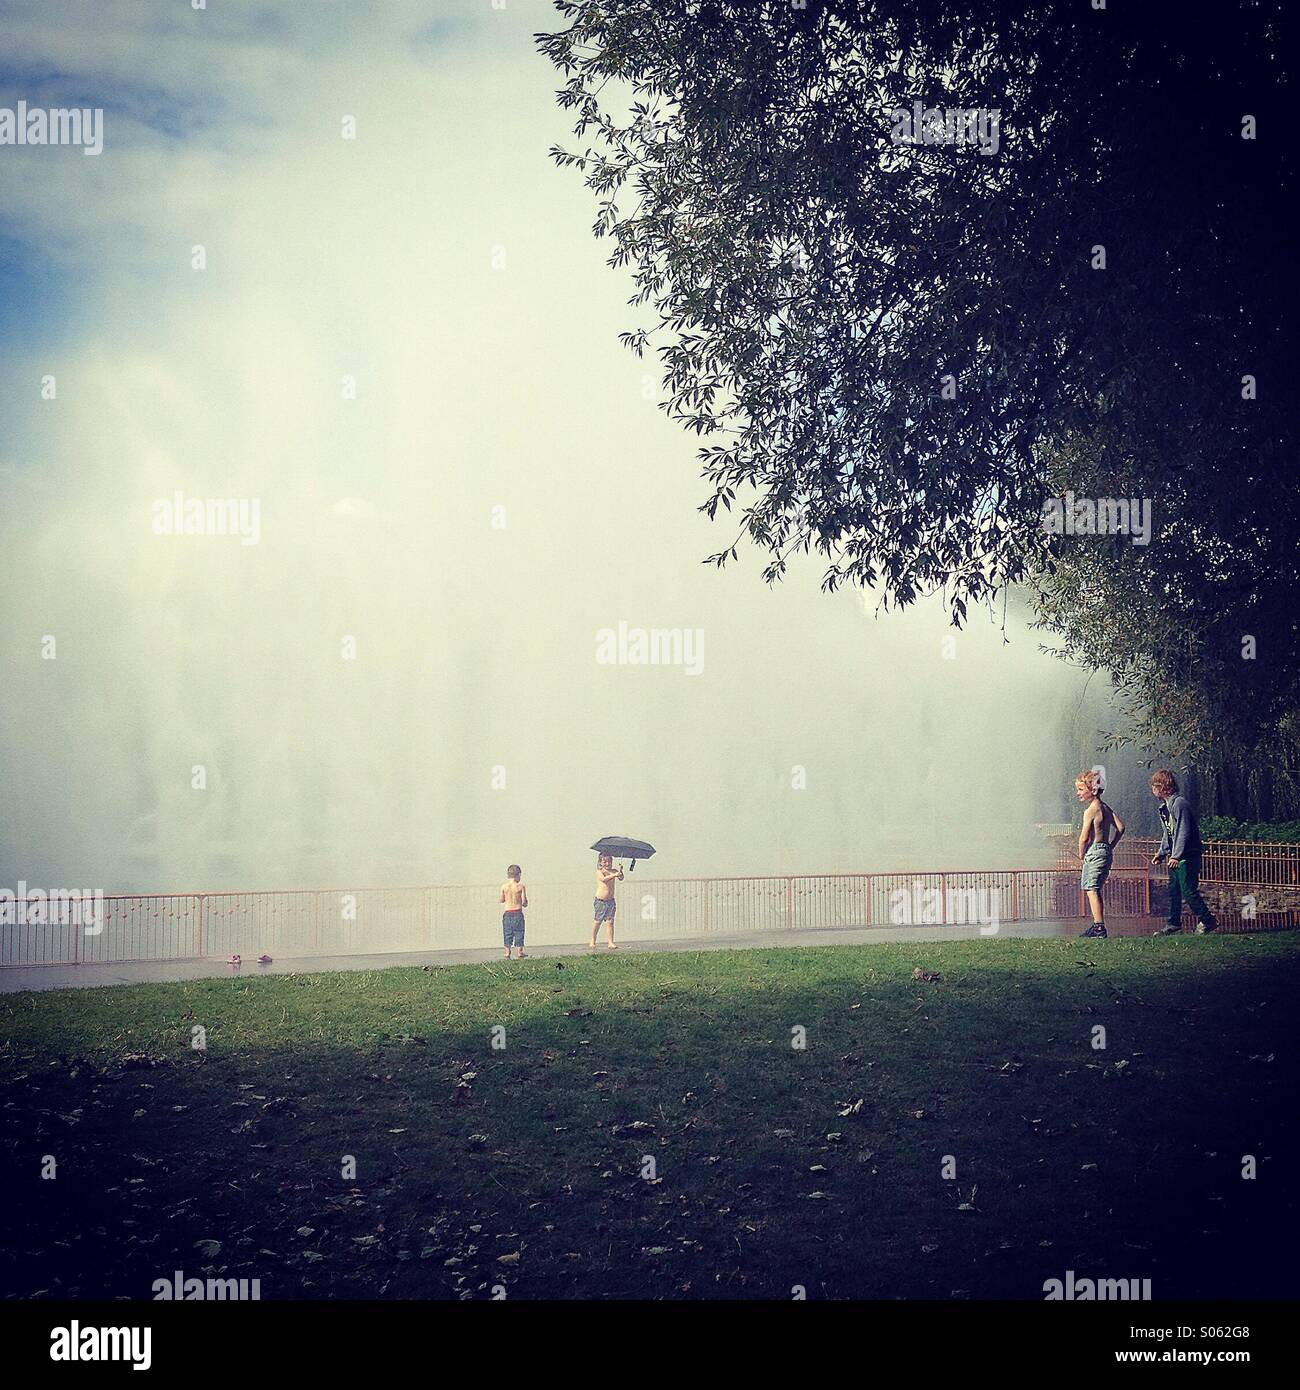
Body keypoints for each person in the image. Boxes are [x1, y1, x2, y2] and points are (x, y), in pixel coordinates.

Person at [1149, 770, 1218, 934]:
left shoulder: (1179, 804)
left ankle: (1208, 920)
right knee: (1174, 890)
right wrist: (1162, 852)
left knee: (1188, 890)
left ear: (1162, 786)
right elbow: (1169, 832)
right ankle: (1173, 924)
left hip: (1187, 856)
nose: (1152, 789)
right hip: (1175, 857)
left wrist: (1176, 855)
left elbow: (1183, 831)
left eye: (1154, 785)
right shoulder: (1164, 808)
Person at [1075, 770, 1124, 938]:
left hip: (1094, 852)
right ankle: (1097, 925)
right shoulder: (1105, 807)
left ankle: (1099, 928)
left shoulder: (1090, 810)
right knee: (1095, 889)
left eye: (1081, 789)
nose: (1078, 793)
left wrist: (1081, 855)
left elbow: (1083, 838)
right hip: (1105, 851)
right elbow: (1121, 828)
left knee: (1091, 889)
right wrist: (1111, 845)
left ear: (1093, 790)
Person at [591, 853, 623, 949]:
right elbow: (604, 879)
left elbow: (621, 878)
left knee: (610, 921)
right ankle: (593, 939)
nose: (607, 863)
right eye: (604, 861)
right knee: (598, 921)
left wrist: (620, 872)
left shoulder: (614, 871)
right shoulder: (600, 872)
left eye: (609, 861)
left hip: (610, 900)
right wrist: (614, 875)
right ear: (600, 862)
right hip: (600, 901)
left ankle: (610, 942)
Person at [500, 864, 528, 959]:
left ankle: (507, 952)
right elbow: (524, 901)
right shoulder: (520, 887)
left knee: (507, 932)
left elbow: (501, 900)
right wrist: (524, 903)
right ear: (518, 875)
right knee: (519, 931)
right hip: (517, 912)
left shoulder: (504, 887)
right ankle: (520, 952)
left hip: (508, 912)